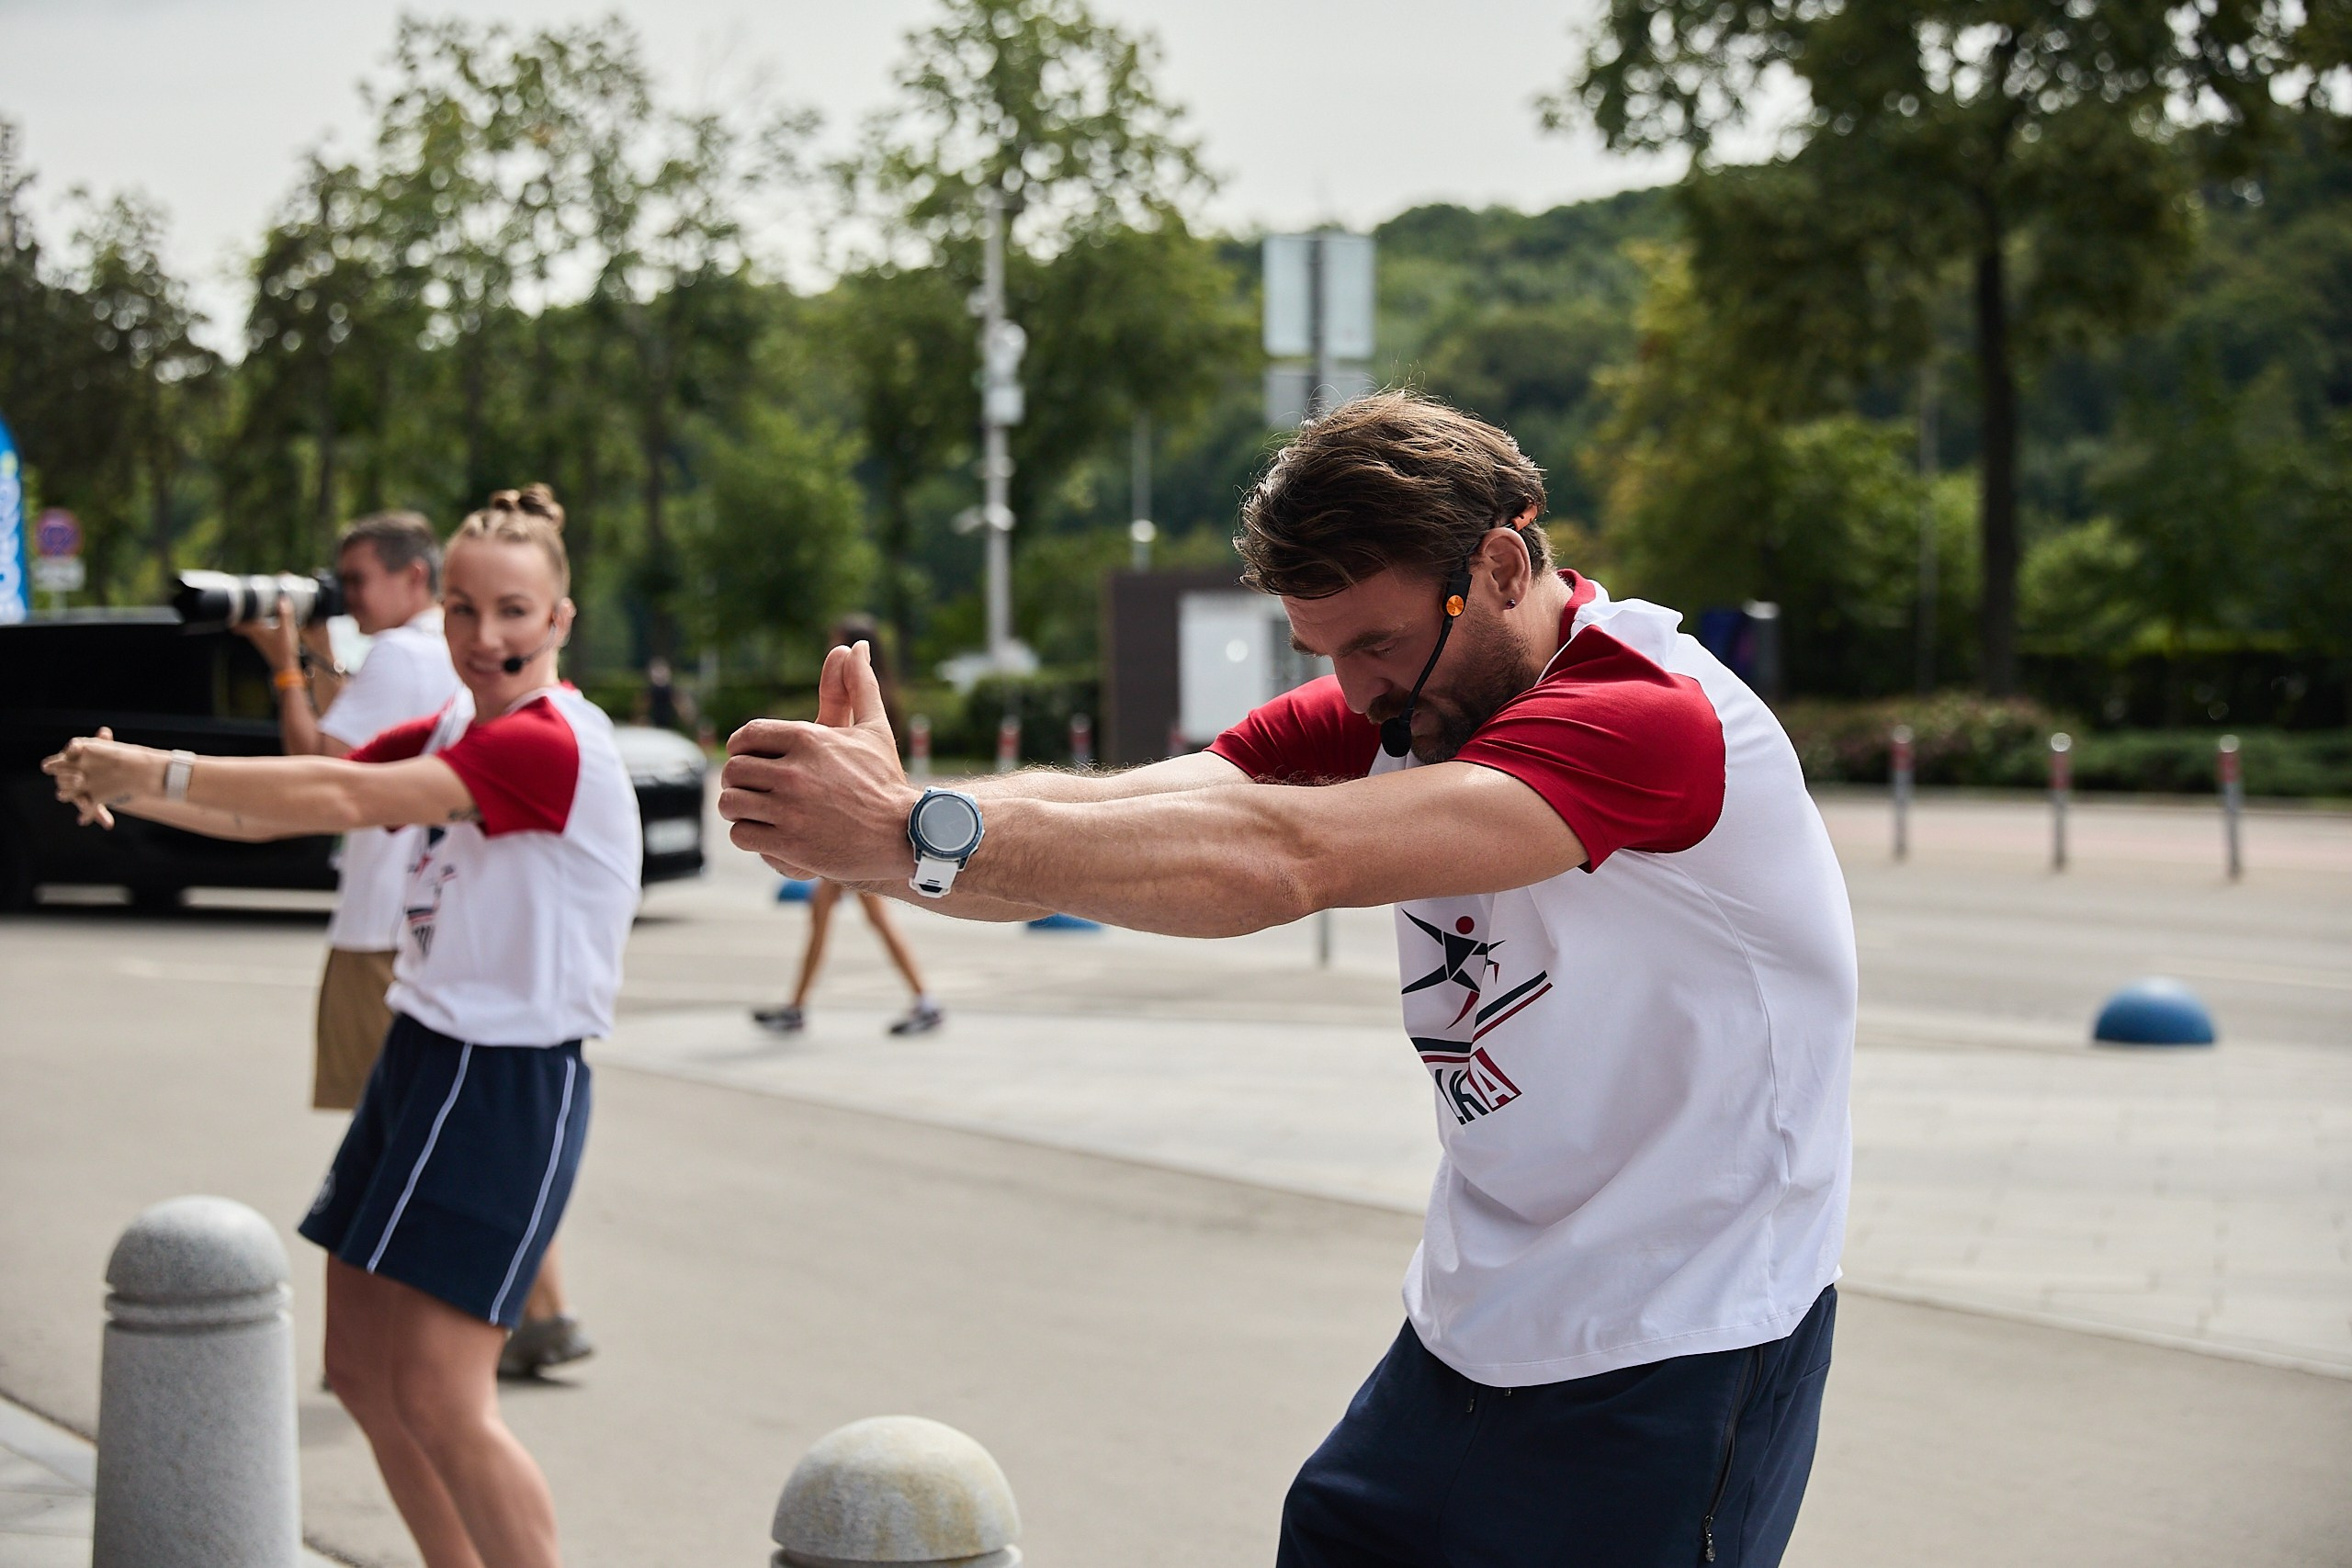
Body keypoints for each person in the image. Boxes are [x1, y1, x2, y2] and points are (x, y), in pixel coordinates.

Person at [716, 393, 1855, 1568]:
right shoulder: (1409, 698)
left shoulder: (1645, 719)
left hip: (1680, 1339)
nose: (1357, 689)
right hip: (1478, 1322)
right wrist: (895, 836)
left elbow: (1284, 858)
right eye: (1325, 653)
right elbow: (1121, 819)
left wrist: (914, 830)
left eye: (1377, 642)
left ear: (1504, 563)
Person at [47, 484, 639, 1568]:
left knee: (444, 1399)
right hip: (422, 1053)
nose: (483, 635)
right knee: (364, 1376)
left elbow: (342, 801)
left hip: (507, 1080)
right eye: (462, 609)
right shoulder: (465, 721)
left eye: (513, 612)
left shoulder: (550, 745)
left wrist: (154, 771)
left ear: (559, 621)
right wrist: (133, 786)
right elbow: (288, 791)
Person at [238, 511, 459, 1113]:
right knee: (407, 1112)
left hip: (375, 922)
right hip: (421, 915)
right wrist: (321, 651)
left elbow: (318, 767)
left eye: (357, 580)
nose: (346, 595)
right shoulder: (449, 649)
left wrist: (284, 666)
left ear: (413, 575)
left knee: (377, 1118)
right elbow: (359, 741)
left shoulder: (397, 651)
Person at [752, 615, 943, 1037]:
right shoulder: (880, 696)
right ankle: (799, 1005)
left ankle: (922, 1000)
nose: (830, 652)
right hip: (863, 823)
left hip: (859, 826)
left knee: (854, 916)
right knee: (831, 914)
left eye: (837, 644)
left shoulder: (865, 700)